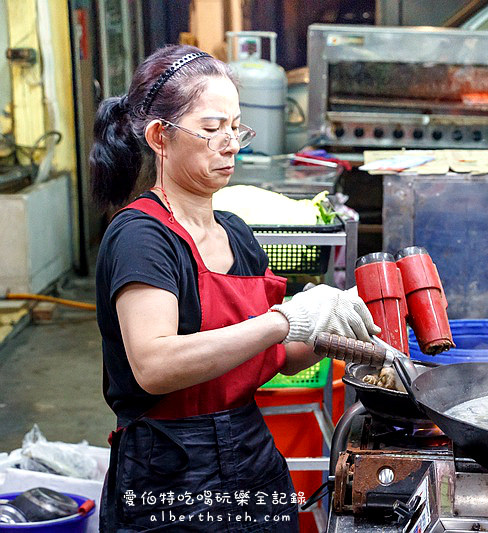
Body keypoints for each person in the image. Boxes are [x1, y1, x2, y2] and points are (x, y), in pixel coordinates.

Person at [90, 44, 380, 532]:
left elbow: (272, 355)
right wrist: (285, 318)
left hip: (249, 452)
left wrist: (340, 327)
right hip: (167, 467)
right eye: (210, 129)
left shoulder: (237, 234)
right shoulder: (142, 236)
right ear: (161, 136)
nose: (230, 143)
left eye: (235, 127)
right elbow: (154, 365)